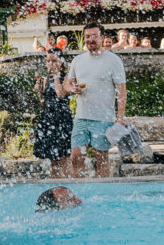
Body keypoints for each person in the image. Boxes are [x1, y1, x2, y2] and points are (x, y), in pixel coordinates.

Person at [64, 23, 127, 178]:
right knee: (75, 157)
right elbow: (67, 82)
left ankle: (102, 193)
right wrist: (72, 89)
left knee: (101, 159)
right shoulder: (78, 60)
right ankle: (79, 191)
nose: (90, 39)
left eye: (94, 36)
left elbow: (122, 91)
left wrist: (120, 118)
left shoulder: (114, 60)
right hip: (81, 117)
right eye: (87, 36)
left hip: (103, 118)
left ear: (102, 37)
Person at [33, 48, 73, 178]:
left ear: (61, 62)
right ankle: (55, 186)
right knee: (52, 159)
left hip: (62, 118)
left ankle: (66, 185)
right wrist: (39, 92)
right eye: (48, 61)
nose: (50, 63)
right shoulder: (46, 79)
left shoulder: (67, 77)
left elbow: (60, 94)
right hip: (48, 118)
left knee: (64, 158)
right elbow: (43, 103)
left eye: (54, 60)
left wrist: (56, 75)